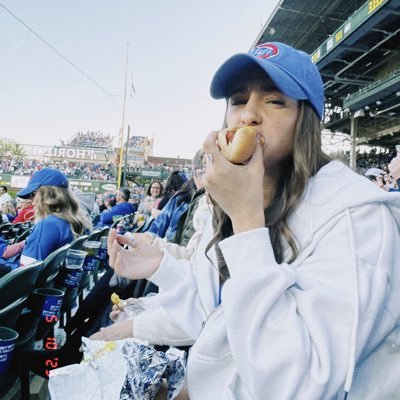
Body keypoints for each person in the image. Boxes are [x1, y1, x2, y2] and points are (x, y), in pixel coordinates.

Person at [101, 42, 400, 399]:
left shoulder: (358, 217)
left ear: (304, 120)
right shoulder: (242, 198)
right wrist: (160, 266)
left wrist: (245, 219)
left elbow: (292, 386)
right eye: (238, 101)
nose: (248, 115)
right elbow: (218, 314)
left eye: (274, 101)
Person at [0, 168, 90, 273]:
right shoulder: (73, 221)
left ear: (48, 194)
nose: (31, 201)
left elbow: (25, 274)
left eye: (33, 195)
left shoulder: (48, 225)